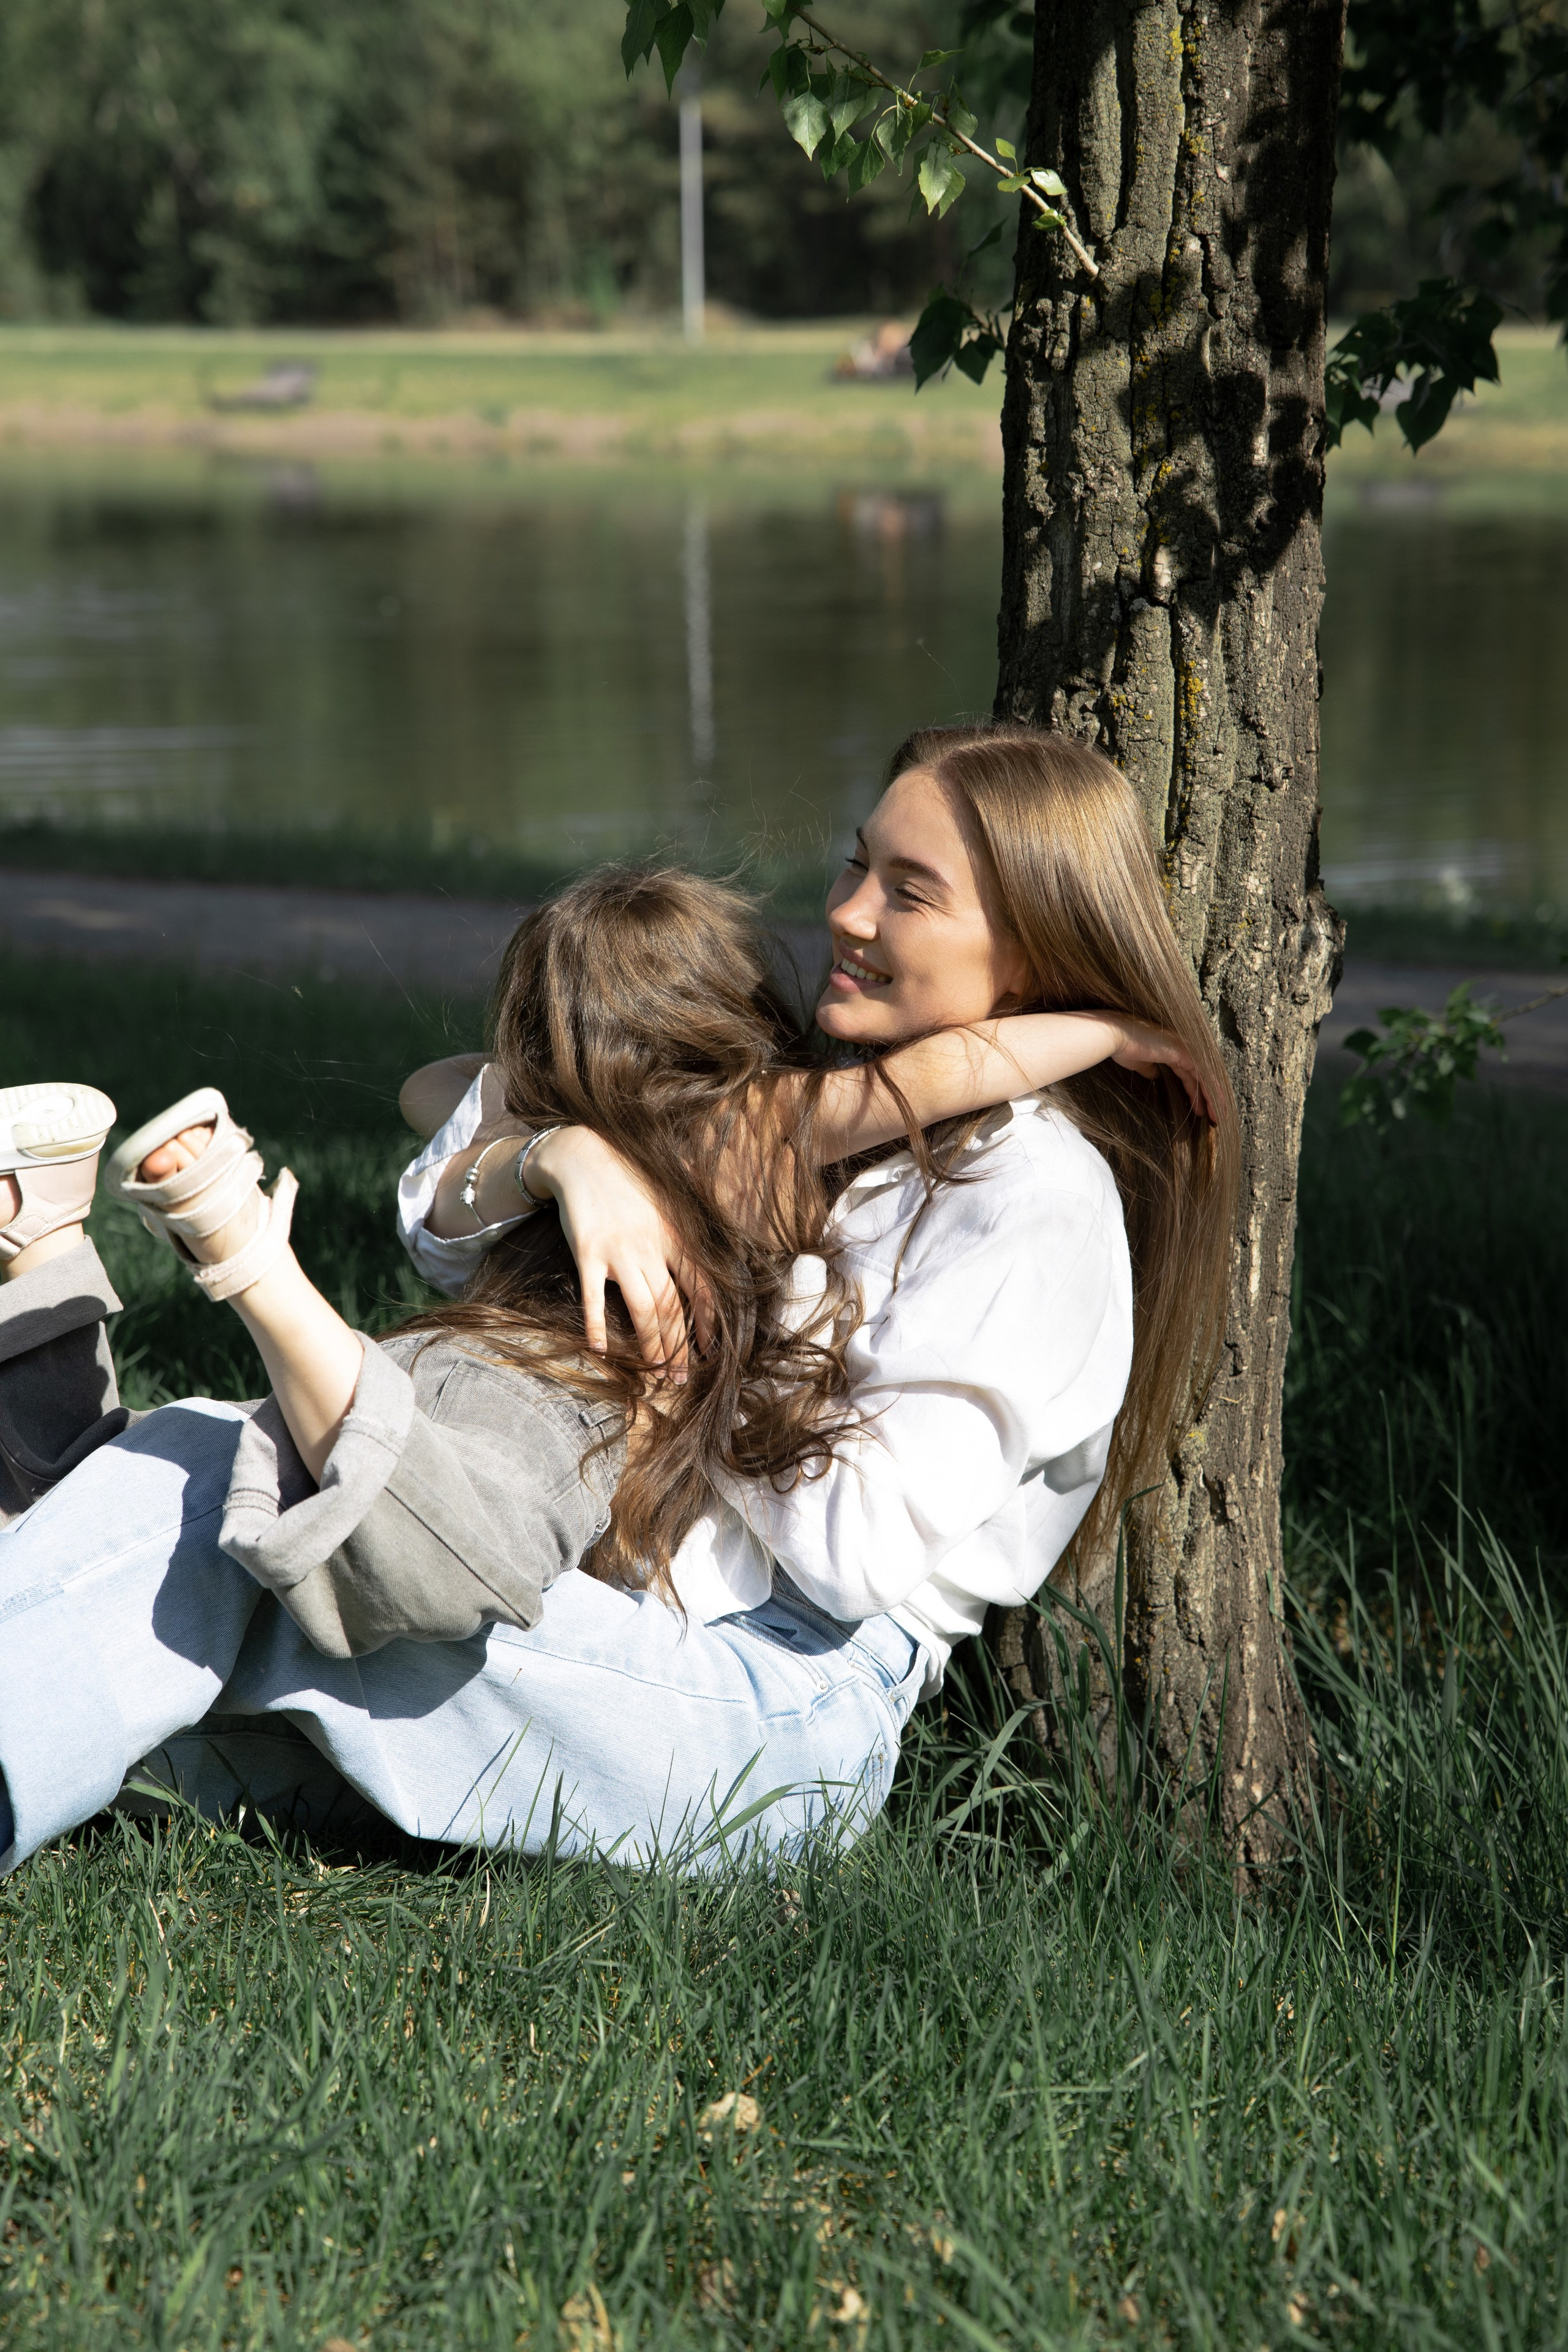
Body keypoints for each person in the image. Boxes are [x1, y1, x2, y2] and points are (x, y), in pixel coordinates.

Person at [0, 753, 1221, 1871]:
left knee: (215, 1485)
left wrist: (718, 1301)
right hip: (619, 1628)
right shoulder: (831, 1093)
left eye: (910, 892)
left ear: (1030, 944)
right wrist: (568, 1160)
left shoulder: (1033, 1201)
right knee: (175, 1665)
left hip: (774, 1715)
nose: (845, 911)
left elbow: (850, 1559)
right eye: (859, 862)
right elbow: (452, 1140)